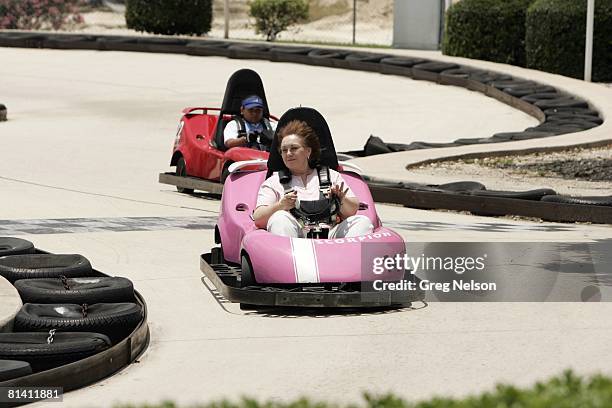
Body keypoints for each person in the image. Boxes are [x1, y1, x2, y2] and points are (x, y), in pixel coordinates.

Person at [253, 120, 374, 238]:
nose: (288, 153)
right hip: (296, 239)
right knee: (279, 218)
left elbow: (352, 212)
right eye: (284, 150)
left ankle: (348, 257)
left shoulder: (332, 176)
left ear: (308, 151)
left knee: (362, 221)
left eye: (294, 148)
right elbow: (258, 218)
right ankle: (289, 257)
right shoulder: (273, 182)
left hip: (331, 236)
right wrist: (280, 205)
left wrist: (341, 199)